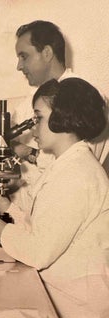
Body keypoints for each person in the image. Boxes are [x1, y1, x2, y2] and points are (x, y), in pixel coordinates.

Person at [0, 78, 109, 318]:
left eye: (39, 118)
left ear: (62, 117)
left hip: (77, 305)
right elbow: (43, 230)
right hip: (65, 293)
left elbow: (37, 252)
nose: (33, 129)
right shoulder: (68, 165)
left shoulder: (77, 174)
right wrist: (4, 205)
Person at [9, 20, 108, 212]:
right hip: (28, 209)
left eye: (24, 56)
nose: (19, 66)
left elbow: (74, 164)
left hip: (61, 210)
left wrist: (28, 153)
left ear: (47, 53)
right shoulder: (28, 103)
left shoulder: (85, 95)